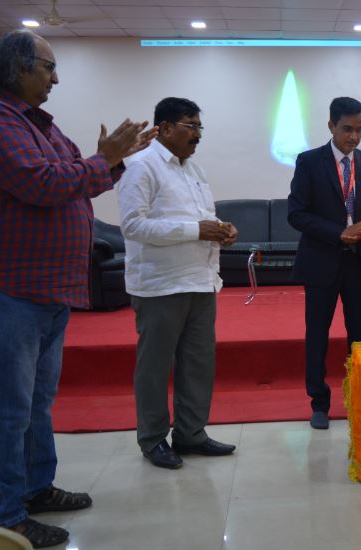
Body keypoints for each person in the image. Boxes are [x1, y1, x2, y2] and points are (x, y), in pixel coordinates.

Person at [0, 30, 155, 548]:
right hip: (2, 286)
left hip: (42, 287)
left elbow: (73, 175)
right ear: (16, 68)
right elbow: (42, 183)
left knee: (36, 402)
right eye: (47, 67)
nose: (56, 78)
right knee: (7, 409)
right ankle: (5, 514)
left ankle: (36, 487)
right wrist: (100, 158)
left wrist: (114, 158)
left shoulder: (36, 123)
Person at [118, 97, 238, 469]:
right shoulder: (141, 166)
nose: (197, 135)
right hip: (160, 284)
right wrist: (195, 229)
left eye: (200, 127)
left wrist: (221, 230)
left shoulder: (194, 169)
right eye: (190, 126)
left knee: (198, 363)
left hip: (200, 280)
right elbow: (133, 225)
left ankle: (190, 434)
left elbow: (203, 217)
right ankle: (153, 439)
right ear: (165, 128)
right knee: (155, 366)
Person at [288, 96, 361, 430]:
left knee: (359, 335)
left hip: (358, 263)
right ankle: (319, 402)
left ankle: (358, 395)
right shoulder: (309, 162)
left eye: (359, 130)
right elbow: (296, 214)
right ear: (330, 125)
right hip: (321, 262)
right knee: (317, 334)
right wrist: (339, 233)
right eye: (347, 129)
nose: (353, 137)